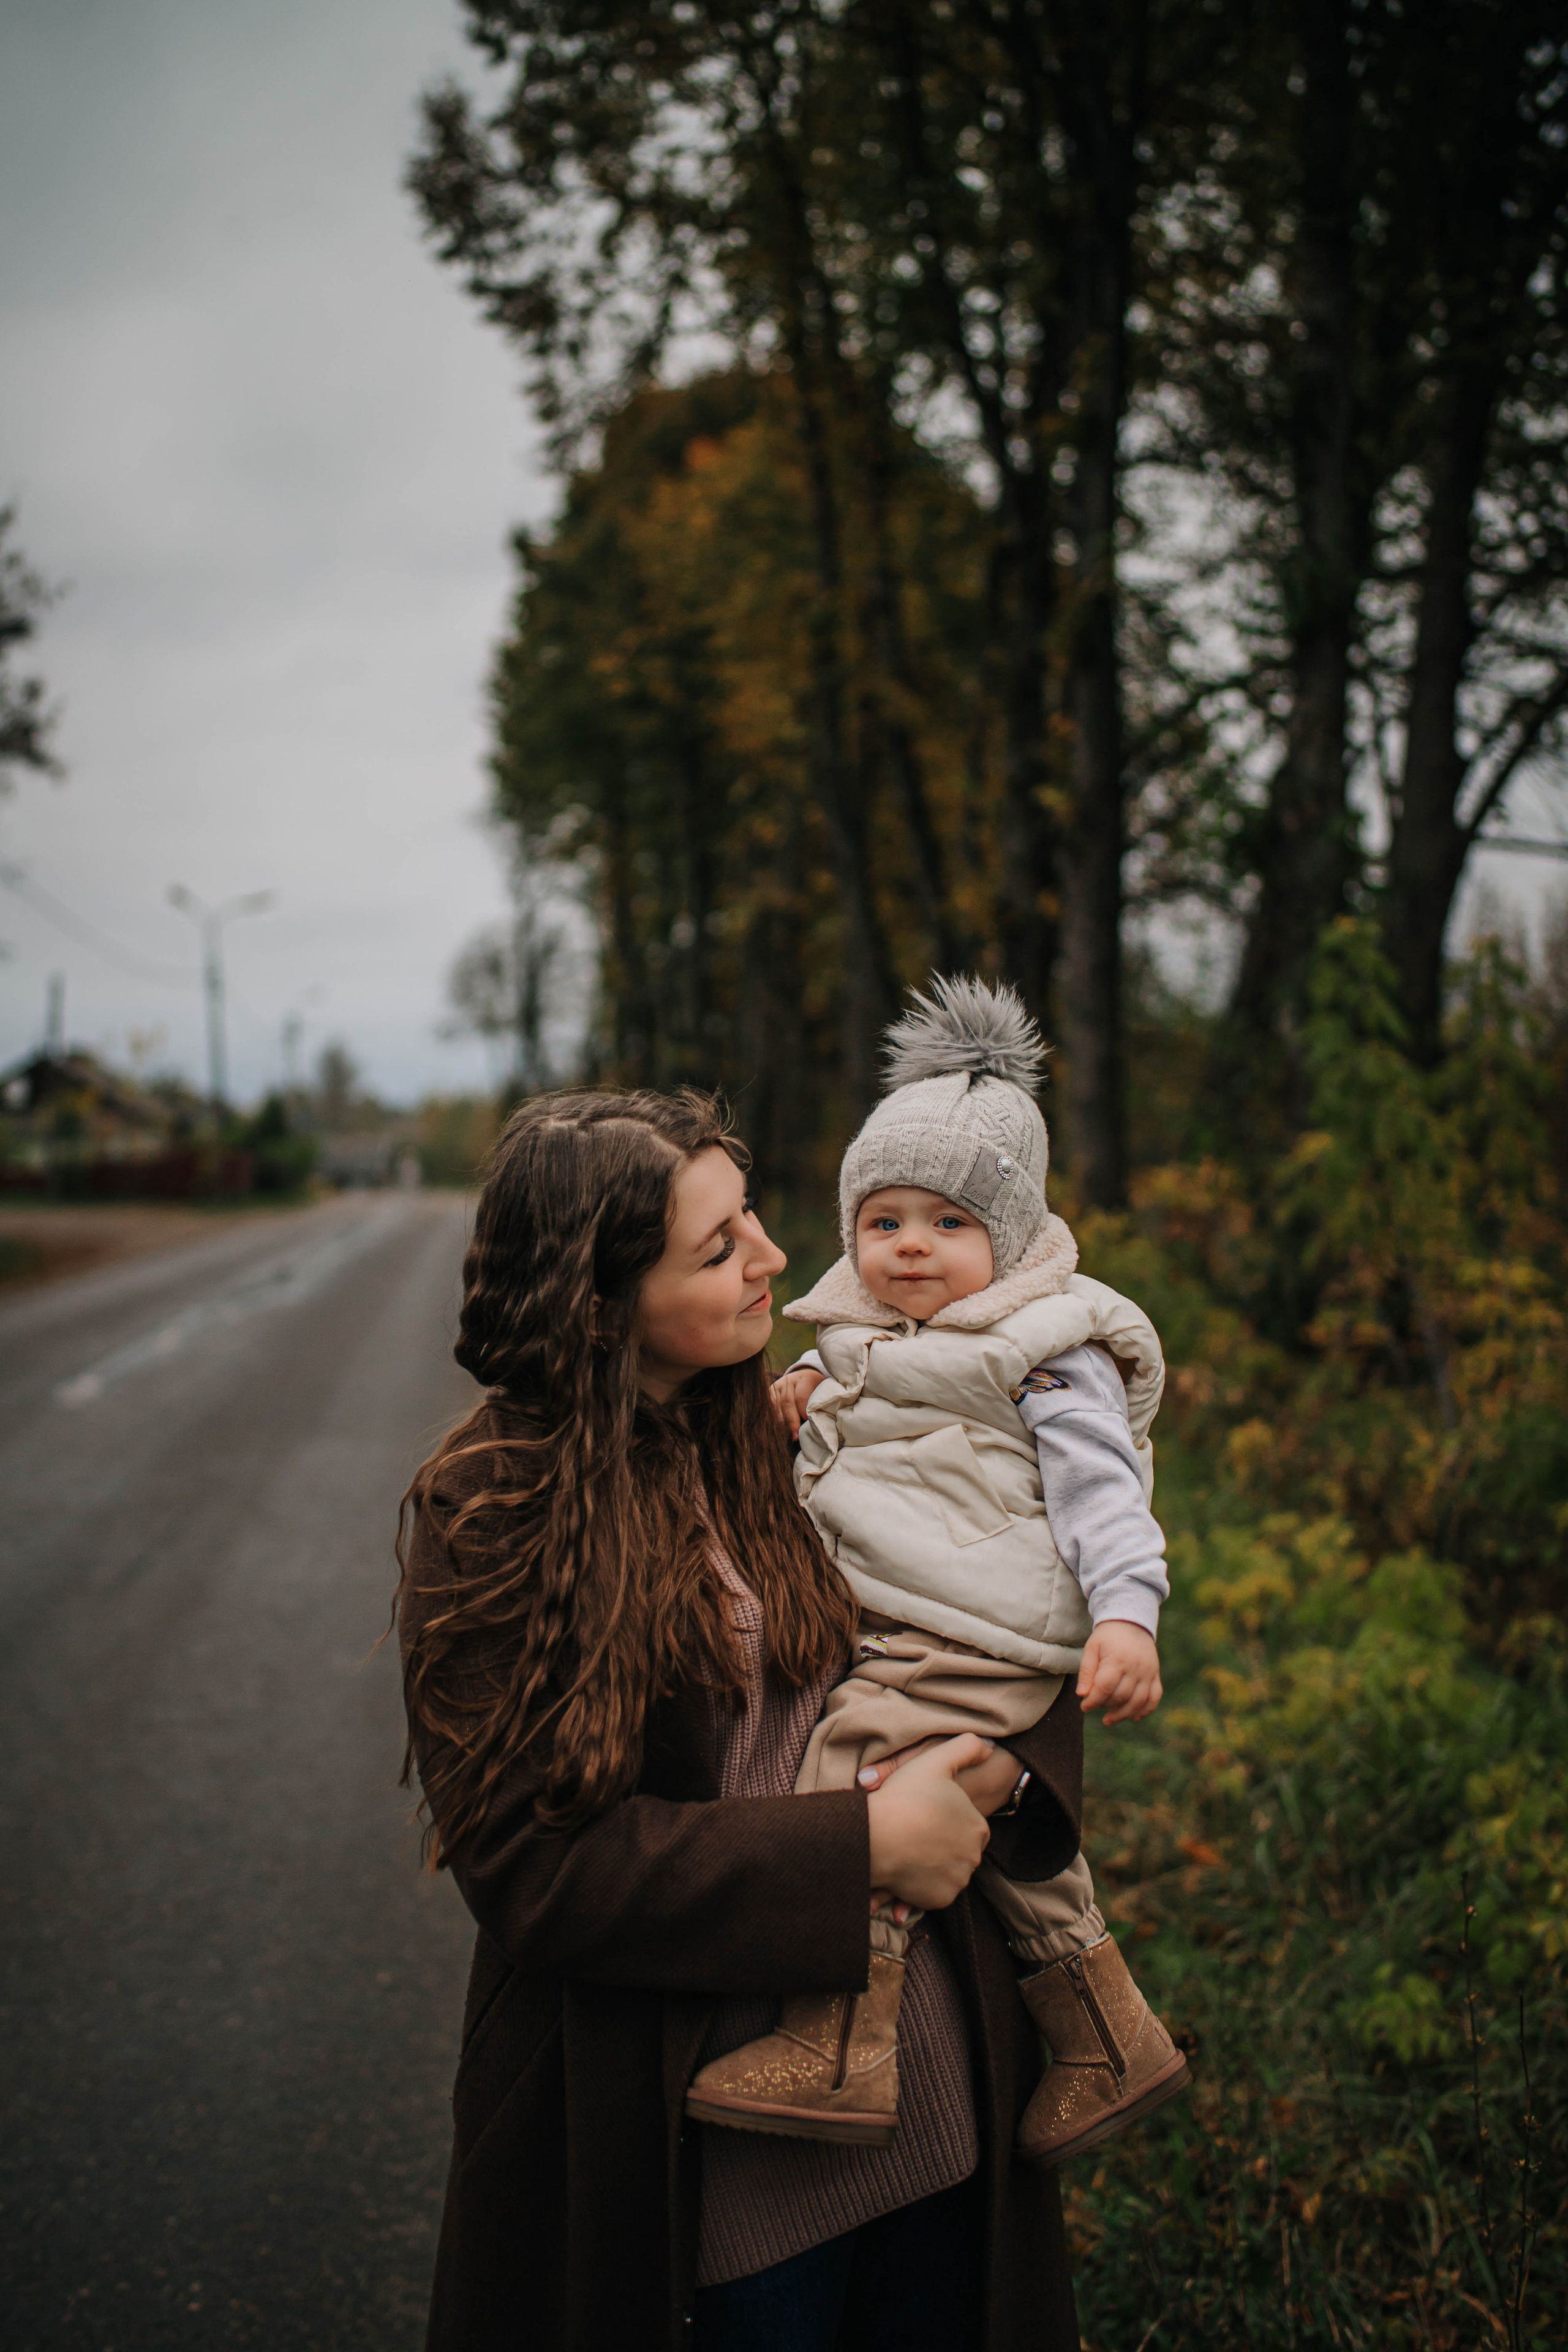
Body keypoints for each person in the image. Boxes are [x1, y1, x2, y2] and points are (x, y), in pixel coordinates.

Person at [396, 1087, 1086, 2352]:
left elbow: (1006, 1588)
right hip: (701, 2130)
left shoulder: (791, 1421)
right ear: (598, 1303)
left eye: (752, 1214)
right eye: (716, 1249)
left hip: (933, 2079)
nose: (773, 1255)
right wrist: (861, 1849)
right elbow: (536, 1869)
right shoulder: (494, 1512)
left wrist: (1003, 1771)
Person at [685, 978, 1189, 2168]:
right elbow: (867, 1429)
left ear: (1008, 1241)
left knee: (848, 1768)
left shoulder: (1044, 1351)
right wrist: (807, 1402)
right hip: (941, 1619)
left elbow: (1104, 1494)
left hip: (986, 1626)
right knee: (953, 1787)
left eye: (949, 1223)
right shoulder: (866, 1340)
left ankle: (842, 2048)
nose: (909, 1245)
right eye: (883, 1218)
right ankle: (1106, 2037)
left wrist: (1127, 1614)